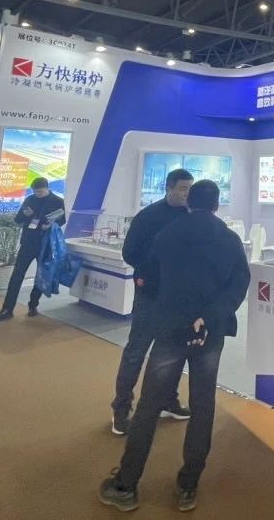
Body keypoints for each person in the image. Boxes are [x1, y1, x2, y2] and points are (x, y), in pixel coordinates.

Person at [99, 180, 250, 513]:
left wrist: (176, 310)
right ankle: (188, 485)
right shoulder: (229, 239)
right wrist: (208, 316)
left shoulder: (167, 235)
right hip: (209, 333)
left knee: (149, 406)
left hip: (170, 328)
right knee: (203, 405)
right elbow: (239, 284)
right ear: (217, 205)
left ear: (189, 202)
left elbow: (151, 277)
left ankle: (126, 484)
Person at [110, 169, 193, 435]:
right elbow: (130, 253)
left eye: (190, 189)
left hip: (178, 298)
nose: (187, 194)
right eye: (183, 189)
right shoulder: (148, 216)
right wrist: (154, 271)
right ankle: (121, 408)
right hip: (150, 295)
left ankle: (168, 399)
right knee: (137, 351)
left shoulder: (191, 216)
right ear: (169, 187)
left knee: (173, 352)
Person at [0, 177, 66, 323]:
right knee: (16, 275)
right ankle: (7, 309)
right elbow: (18, 219)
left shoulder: (57, 201)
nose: (37, 194)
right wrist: (25, 214)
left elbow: (62, 220)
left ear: (47, 189)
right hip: (28, 243)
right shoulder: (29, 199)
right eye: (35, 191)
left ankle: (33, 304)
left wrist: (50, 225)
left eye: (40, 191)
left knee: (41, 275)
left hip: (45, 244)